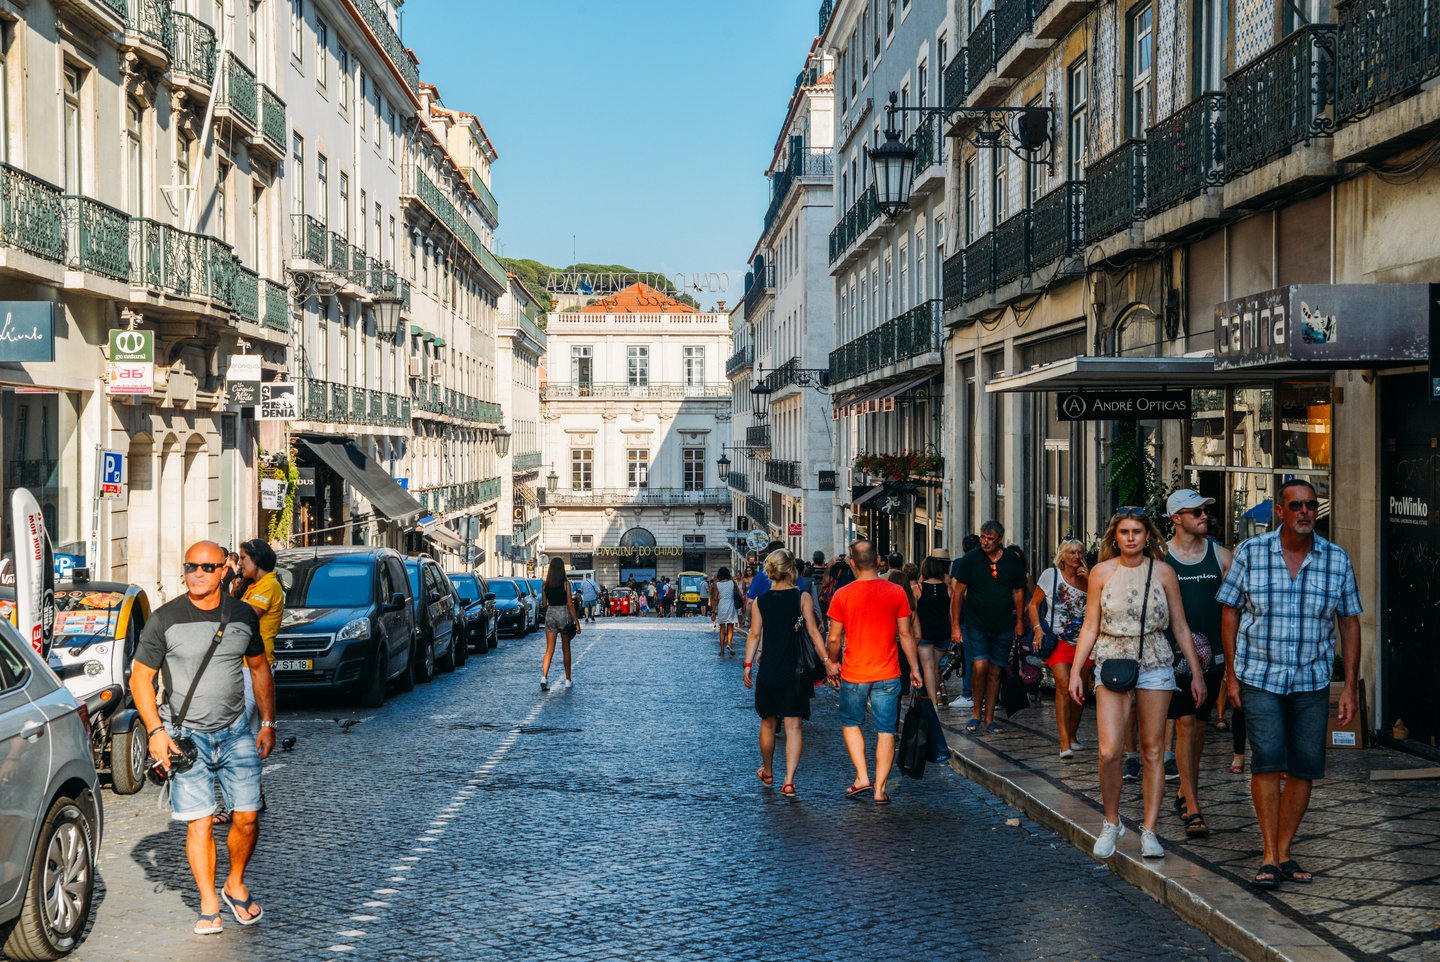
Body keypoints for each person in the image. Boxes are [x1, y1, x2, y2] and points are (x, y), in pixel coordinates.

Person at [1217, 480, 1361, 889]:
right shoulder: (1251, 553)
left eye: (1311, 505)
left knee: (1304, 765)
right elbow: (1230, 612)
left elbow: (1349, 624)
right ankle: (1267, 853)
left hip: (1311, 680)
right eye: (1296, 505)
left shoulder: (1336, 559)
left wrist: (1348, 686)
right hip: (1260, 675)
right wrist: (1230, 675)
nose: (1304, 512)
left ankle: (1284, 849)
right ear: (1279, 511)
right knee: (1267, 759)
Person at [129, 541, 275, 935]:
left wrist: (268, 723)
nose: (197, 573)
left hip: (236, 734)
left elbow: (260, 668)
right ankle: (209, 901)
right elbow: (140, 678)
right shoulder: (165, 619)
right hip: (183, 738)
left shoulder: (243, 615)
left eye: (207, 567)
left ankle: (235, 882)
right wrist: (156, 733)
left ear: (223, 571)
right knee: (200, 824)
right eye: (190, 566)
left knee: (247, 817)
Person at [1068, 509, 1206, 861]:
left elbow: (1179, 625)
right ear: (1116, 536)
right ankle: (1111, 821)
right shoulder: (1101, 572)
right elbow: (1090, 626)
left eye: (1138, 532)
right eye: (1125, 532)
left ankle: (1149, 830)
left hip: (1156, 661)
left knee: (1153, 750)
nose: (1131, 537)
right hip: (1112, 658)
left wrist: (1196, 671)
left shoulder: (1163, 573)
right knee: (1109, 751)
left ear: (1148, 536)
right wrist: (1075, 671)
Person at [826, 540, 923, 804]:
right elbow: (906, 635)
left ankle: (862, 777)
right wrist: (915, 668)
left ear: (853, 563)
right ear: (878, 560)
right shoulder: (896, 592)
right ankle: (880, 789)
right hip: (888, 671)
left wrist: (831, 662)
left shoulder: (843, 595)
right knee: (886, 729)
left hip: (855, 672)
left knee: (851, 723)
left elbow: (834, 638)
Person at [1163, 489, 1233, 840]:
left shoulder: (1221, 557)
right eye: (1196, 512)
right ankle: (1193, 806)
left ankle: (1183, 791)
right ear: (1176, 519)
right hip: (1174, 661)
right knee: (1186, 725)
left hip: (1214, 659)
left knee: (1199, 729)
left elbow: (1237, 609)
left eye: (1205, 511)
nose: (1204, 516)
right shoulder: (1162, 559)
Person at [743, 550, 838, 797]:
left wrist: (747, 664)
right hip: (795, 670)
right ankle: (789, 781)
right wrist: (827, 661)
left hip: (770, 669)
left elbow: (754, 635)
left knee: (768, 722)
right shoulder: (802, 597)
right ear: (791, 570)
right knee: (794, 726)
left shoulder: (761, 601)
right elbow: (815, 634)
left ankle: (768, 770)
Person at [950, 521, 1027, 735]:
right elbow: (957, 593)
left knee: (995, 671)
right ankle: (976, 712)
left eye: (990, 538)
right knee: (980, 664)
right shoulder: (971, 559)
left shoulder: (1011, 560)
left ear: (1000, 539)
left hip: (1003, 624)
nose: (985, 541)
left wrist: (1020, 621)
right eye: (983, 537)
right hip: (976, 623)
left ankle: (990, 718)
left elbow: (1018, 592)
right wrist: (955, 626)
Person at [1028, 539, 1091, 758]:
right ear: (1062, 555)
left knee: (1080, 691)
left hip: (1084, 643)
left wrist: (1090, 579)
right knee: (1064, 685)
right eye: (1071, 552)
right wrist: (1038, 629)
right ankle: (1064, 742)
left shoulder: (1088, 578)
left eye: (1080, 552)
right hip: (1058, 640)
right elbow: (1033, 604)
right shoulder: (1050, 575)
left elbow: (1101, 604)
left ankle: (1072, 736)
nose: (1076, 556)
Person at [915, 554, 953, 711]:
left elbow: (912, 613)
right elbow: (951, 613)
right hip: (943, 632)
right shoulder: (947, 588)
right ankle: (936, 693)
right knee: (936, 666)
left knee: (928, 667)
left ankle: (933, 702)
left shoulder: (918, 589)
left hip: (924, 632)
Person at [539, 558, 581, 691]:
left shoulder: (545, 585)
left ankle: (544, 677)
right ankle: (568, 680)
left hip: (551, 614)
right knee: (566, 650)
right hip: (563, 614)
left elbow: (544, 605)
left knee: (549, 649)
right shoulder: (565, 584)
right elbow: (570, 604)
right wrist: (577, 622)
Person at [712, 567, 741, 657]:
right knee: (730, 627)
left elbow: (716, 598)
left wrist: (713, 610)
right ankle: (729, 643)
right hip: (731, 606)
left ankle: (721, 650)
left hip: (722, 607)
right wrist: (742, 603)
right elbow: (739, 593)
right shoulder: (732, 582)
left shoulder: (717, 584)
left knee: (722, 629)